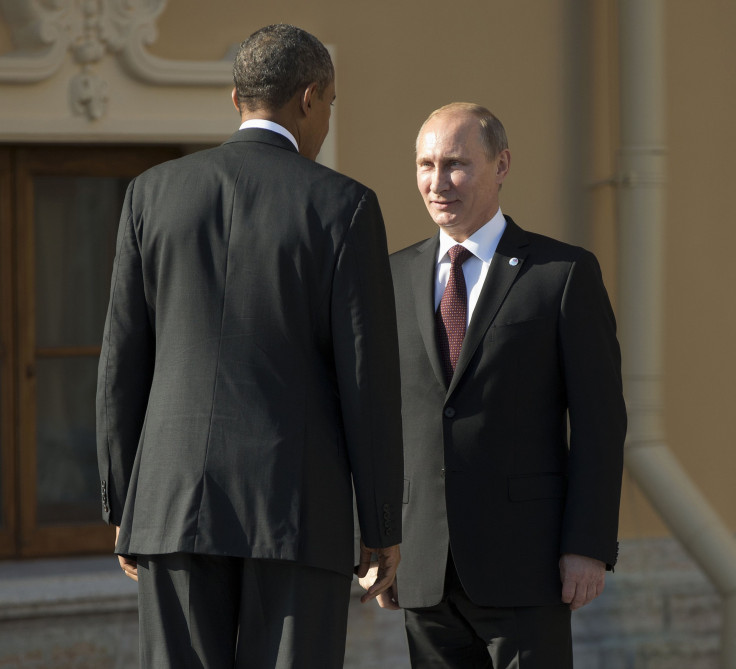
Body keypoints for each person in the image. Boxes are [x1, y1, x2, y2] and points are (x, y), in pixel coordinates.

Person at [96, 24, 403, 669]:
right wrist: (380, 527)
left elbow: (122, 362)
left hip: (170, 505)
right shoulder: (344, 205)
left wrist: (124, 502)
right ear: (311, 98)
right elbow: (367, 377)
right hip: (296, 510)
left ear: (237, 99)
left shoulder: (150, 194)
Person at [360, 102, 626, 668]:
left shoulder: (561, 274)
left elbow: (601, 421)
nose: (437, 183)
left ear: (501, 164)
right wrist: (377, 536)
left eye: (455, 164)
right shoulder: (389, 278)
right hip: (423, 567)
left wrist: (588, 545)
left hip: (528, 566)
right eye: (425, 165)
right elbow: (373, 420)